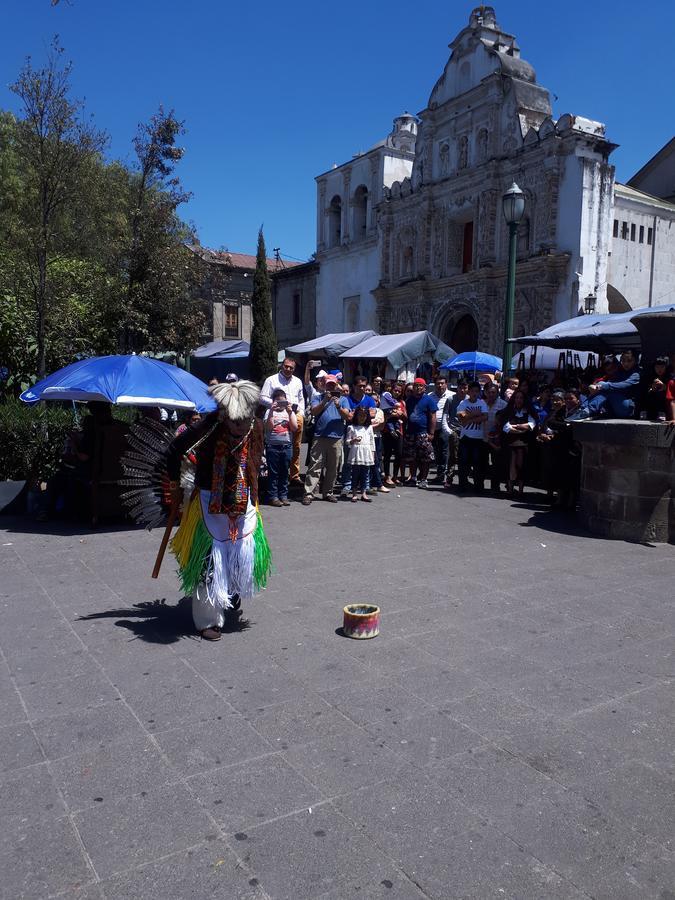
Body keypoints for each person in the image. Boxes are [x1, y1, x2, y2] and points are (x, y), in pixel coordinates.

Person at [164, 380, 271, 641]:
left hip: (243, 499)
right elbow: (176, 448)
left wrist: (255, 486)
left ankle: (229, 593)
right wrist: (175, 481)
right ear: (225, 415)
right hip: (209, 502)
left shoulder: (256, 426)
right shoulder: (210, 425)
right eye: (235, 422)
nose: (240, 427)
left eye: (244, 421)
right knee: (210, 562)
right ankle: (207, 620)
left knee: (240, 553)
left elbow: (255, 458)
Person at [302, 374, 351, 505]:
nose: (330, 387)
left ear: (336, 385)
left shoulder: (343, 400)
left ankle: (328, 492)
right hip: (320, 436)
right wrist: (324, 401)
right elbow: (314, 412)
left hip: (336, 438)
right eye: (328, 384)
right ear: (324, 385)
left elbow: (348, 417)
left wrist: (338, 406)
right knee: (315, 466)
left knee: (333, 467)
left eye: (332, 384)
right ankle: (309, 493)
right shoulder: (318, 397)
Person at [261, 358, 305, 485]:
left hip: (294, 415)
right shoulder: (271, 380)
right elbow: (262, 398)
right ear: (282, 366)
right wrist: (278, 404)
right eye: (286, 366)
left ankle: (294, 475)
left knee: (295, 446)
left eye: (291, 368)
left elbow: (301, 399)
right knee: (277, 446)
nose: (288, 369)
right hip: (276, 415)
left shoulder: (297, 381)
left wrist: (301, 413)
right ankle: (277, 476)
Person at [264, 388, 298, 507]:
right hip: (272, 446)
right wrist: (272, 412)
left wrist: (289, 413)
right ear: (273, 402)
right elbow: (269, 427)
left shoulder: (289, 412)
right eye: (278, 402)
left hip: (286, 446)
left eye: (283, 402)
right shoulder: (269, 412)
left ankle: (283, 495)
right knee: (273, 473)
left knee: (284, 472)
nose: (281, 404)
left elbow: (294, 428)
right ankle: (273, 496)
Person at [402, 378, 437, 489]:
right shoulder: (409, 400)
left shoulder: (429, 400)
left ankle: (423, 479)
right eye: (416, 385)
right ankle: (413, 478)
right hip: (410, 433)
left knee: (425, 458)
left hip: (423, 433)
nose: (418, 388)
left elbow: (432, 417)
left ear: (424, 387)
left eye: (420, 386)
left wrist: (431, 433)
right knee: (411, 457)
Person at [586, 349, 640, 418]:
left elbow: (624, 385)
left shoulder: (637, 374)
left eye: (629, 361)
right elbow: (610, 382)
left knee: (606, 388)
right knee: (601, 387)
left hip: (629, 409)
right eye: (623, 360)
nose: (625, 363)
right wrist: (596, 386)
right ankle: (584, 410)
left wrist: (602, 386)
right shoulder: (620, 373)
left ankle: (589, 410)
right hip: (616, 406)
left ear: (635, 361)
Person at [501, 389, 536, 496]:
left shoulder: (528, 411)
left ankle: (520, 490)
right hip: (510, 444)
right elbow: (506, 427)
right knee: (510, 466)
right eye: (517, 397)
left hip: (524, 444)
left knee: (522, 467)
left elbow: (531, 425)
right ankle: (510, 489)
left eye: (521, 398)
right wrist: (520, 429)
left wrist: (517, 426)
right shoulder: (509, 411)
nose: (519, 400)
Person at [456, 381, 488, 492]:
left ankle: (478, 485)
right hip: (465, 437)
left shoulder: (482, 403)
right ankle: (463, 484)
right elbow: (461, 418)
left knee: (477, 462)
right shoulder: (463, 403)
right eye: (472, 391)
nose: (474, 393)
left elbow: (484, 417)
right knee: (464, 462)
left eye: (477, 391)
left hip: (478, 438)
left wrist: (469, 418)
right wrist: (476, 414)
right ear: (468, 392)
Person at [345, 406, 376, 502]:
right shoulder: (351, 427)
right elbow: (347, 441)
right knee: (355, 474)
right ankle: (354, 493)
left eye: (364, 416)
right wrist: (353, 440)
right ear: (356, 416)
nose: (362, 418)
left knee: (365, 474)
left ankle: (364, 493)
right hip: (356, 453)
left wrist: (373, 453)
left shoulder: (369, 428)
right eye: (360, 415)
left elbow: (372, 442)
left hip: (366, 453)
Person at [440, 380, 468, 487]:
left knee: (465, 456)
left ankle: (463, 478)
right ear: (457, 388)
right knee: (453, 455)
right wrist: (448, 430)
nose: (462, 390)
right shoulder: (451, 399)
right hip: (454, 430)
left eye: (465, 388)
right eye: (460, 388)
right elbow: (445, 415)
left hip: (466, 430)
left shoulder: (469, 400)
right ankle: (449, 477)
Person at [429, 375, 454, 484]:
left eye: (442, 383)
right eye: (438, 383)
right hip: (433, 428)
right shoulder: (430, 396)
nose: (440, 385)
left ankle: (443, 475)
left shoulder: (452, 396)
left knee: (444, 451)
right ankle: (440, 473)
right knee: (436, 451)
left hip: (445, 428)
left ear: (446, 384)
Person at [483, 382, 507, 493]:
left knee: (496, 464)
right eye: (489, 392)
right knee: (481, 463)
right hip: (482, 437)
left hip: (496, 439)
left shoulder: (503, 404)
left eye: (494, 392)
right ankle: (479, 485)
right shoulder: (481, 403)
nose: (491, 394)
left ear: (497, 393)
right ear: (485, 392)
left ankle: (495, 486)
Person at [381, 387, 406, 485]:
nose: (397, 392)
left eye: (399, 391)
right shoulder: (386, 401)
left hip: (399, 431)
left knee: (399, 454)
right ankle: (387, 476)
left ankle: (395, 476)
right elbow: (383, 414)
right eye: (395, 390)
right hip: (387, 431)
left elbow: (405, 417)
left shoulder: (402, 403)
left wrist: (400, 414)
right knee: (387, 455)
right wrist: (393, 414)